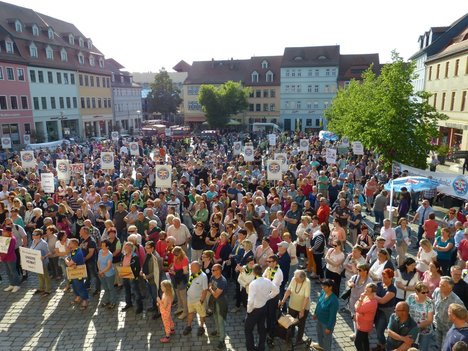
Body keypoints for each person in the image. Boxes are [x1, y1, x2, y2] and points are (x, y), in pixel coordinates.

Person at [246, 264, 279, 351]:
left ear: (253, 272)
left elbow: (250, 300)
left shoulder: (253, 284)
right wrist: (268, 297)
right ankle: (261, 348)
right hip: (263, 308)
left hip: (254, 310)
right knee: (261, 329)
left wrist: (249, 311)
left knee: (248, 330)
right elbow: (277, 290)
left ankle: (251, 349)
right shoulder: (267, 281)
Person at [279, 270, 311, 346]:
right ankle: (289, 337)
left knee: (301, 323)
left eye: (297, 278)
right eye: (295, 277)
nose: (295, 279)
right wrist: (283, 300)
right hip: (292, 305)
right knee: (290, 322)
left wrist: (302, 310)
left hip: (303, 307)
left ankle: (299, 339)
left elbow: (306, 297)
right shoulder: (294, 279)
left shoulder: (307, 282)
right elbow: (289, 290)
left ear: (302, 278)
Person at [434, 276, 464, 349]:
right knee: (435, 347)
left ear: (450, 288)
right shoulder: (437, 291)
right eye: (440, 284)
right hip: (436, 327)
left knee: (444, 348)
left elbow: (464, 315)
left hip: (448, 330)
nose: (440, 286)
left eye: (443, 285)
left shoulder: (456, 301)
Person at [312, 279, 339, 351]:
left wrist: (329, 327)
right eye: (322, 286)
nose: (322, 288)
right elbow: (319, 303)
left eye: (324, 286)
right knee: (319, 334)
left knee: (327, 339)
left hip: (326, 323)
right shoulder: (323, 292)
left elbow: (332, 316)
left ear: (330, 287)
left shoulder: (334, 300)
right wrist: (315, 313)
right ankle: (320, 346)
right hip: (319, 319)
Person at [348, 263, 373, 340]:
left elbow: (370, 293)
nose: (358, 271)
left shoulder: (369, 281)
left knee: (361, 319)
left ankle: (363, 334)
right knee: (354, 318)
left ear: (365, 271)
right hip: (353, 301)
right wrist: (350, 284)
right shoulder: (355, 277)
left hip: (362, 303)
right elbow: (349, 281)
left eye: (360, 270)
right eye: (357, 269)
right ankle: (356, 333)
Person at [183, 261, 208, 337]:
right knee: (190, 312)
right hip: (190, 299)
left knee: (201, 314)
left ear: (198, 268)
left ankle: (201, 327)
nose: (191, 269)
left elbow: (205, 289)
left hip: (198, 300)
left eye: (192, 267)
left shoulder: (203, 277)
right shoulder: (193, 274)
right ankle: (189, 326)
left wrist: (201, 300)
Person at [374, 268, 397, 351]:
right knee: (377, 329)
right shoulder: (379, 284)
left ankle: (383, 346)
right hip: (377, 311)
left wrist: (373, 296)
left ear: (391, 278)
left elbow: (383, 301)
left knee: (380, 330)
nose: (383, 279)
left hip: (385, 312)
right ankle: (380, 344)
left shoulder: (392, 289)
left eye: (386, 277)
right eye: (382, 277)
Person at [407, 282, 434, 350]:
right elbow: (405, 309)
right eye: (423, 292)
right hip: (411, 328)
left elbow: (429, 320)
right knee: (410, 348)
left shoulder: (429, 302)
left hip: (425, 330)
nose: (426, 294)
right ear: (416, 292)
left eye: (427, 292)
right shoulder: (411, 297)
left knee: (423, 348)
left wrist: (416, 327)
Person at [264, 254, 284, 347]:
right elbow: (264, 277)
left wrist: (266, 297)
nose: (267, 263)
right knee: (267, 314)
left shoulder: (278, 272)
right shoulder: (268, 269)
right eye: (267, 261)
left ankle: (271, 335)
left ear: (275, 262)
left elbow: (274, 287)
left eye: (270, 261)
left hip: (273, 296)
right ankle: (267, 330)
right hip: (267, 295)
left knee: (272, 316)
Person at [208, 263, 228, 350]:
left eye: (213, 270)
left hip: (221, 302)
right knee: (215, 316)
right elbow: (210, 285)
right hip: (214, 301)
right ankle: (218, 331)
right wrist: (211, 289)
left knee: (220, 320)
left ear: (219, 271)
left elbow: (216, 294)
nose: (211, 271)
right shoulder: (212, 277)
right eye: (212, 269)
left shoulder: (222, 281)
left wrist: (211, 289)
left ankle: (222, 340)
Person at [66, 238, 89, 310]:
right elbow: (70, 259)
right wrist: (70, 262)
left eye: (70, 243)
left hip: (78, 273)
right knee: (74, 286)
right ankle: (78, 297)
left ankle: (85, 300)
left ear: (74, 244)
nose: (68, 245)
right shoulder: (73, 251)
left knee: (80, 286)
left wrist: (66, 260)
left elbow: (69, 263)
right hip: (73, 272)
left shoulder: (78, 252)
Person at [354, 283, 378, 351]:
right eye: (365, 289)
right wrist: (359, 311)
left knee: (357, 342)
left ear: (373, 293)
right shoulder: (366, 297)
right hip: (361, 323)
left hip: (364, 325)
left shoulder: (372, 303)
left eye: (367, 291)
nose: (365, 292)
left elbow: (357, 308)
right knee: (365, 340)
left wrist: (360, 300)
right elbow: (356, 305)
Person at [141, 240, 162, 317]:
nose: (146, 249)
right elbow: (145, 264)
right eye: (145, 248)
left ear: (153, 248)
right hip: (148, 280)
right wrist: (142, 271)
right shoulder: (147, 254)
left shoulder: (156, 258)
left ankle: (159, 311)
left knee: (156, 296)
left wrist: (147, 276)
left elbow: (156, 272)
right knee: (152, 295)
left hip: (154, 281)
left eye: (148, 248)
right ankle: (154, 307)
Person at [121, 242, 143, 314]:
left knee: (136, 292)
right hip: (125, 274)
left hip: (132, 276)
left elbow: (138, 267)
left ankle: (139, 307)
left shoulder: (134, 256)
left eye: (126, 247)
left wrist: (135, 276)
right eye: (124, 247)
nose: (125, 248)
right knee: (126, 291)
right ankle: (129, 303)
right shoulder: (123, 255)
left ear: (131, 248)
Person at [30, 229, 51, 297]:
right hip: (37, 262)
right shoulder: (34, 241)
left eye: (34, 234)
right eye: (33, 234)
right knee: (39, 275)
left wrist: (44, 257)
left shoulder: (43, 243)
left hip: (43, 262)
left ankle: (48, 290)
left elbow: (49, 253)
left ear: (39, 236)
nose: (32, 235)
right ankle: (41, 288)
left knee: (45, 276)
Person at [171, 246, 189, 320]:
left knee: (183, 296)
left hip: (182, 279)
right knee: (177, 293)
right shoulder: (176, 257)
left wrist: (175, 273)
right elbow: (174, 265)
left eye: (176, 255)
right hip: (176, 278)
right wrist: (172, 268)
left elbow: (185, 272)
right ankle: (180, 307)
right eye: (174, 254)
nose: (174, 256)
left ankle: (185, 311)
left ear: (180, 253)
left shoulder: (184, 259)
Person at [97, 240, 117, 309]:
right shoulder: (100, 252)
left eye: (103, 245)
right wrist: (100, 270)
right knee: (105, 288)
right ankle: (107, 300)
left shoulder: (109, 255)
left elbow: (108, 266)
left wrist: (101, 272)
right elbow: (98, 262)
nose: (102, 247)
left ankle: (113, 302)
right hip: (101, 273)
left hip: (109, 274)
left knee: (111, 288)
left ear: (107, 247)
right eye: (101, 245)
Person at [0, 227, 21, 292]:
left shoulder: (12, 239)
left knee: (13, 272)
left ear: (9, 232)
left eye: (4, 231)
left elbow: (9, 251)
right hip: (4, 258)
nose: (3, 232)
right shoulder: (3, 238)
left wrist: (1, 257)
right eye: (3, 231)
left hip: (10, 258)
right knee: (8, 272)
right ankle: (11, 284)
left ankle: (16, 285)